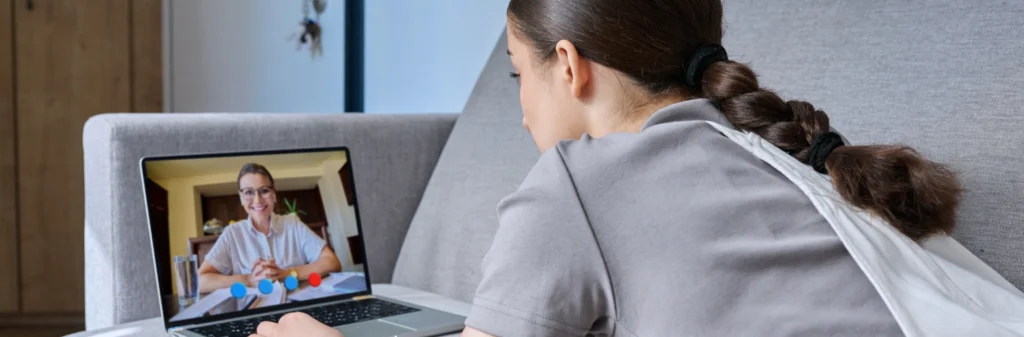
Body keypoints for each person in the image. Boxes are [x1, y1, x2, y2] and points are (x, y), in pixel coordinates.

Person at [248, 1, 1024, 336]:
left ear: (568, 65)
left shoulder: (578, 181)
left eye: (517, 76)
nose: (517, 106)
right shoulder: (775, 153)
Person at [197, 163, 342, 294]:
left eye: (264, 190)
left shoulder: (292, 223)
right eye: (248, 192)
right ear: (241, 198)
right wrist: (248, 279)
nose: (258, 200)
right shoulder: (232, 233)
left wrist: (285, 274)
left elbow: (331, 261)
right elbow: (201, 281)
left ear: (274, 194)